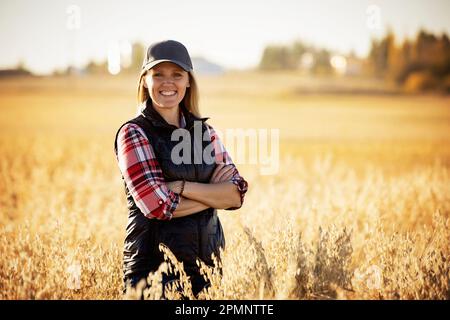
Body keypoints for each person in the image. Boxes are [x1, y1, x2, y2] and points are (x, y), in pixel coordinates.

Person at [113, 40, 248, 298]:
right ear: (144, 81)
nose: (168, 83)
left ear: (188, 82)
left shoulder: (204, 133)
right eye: (158, 75)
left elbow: (237, 193)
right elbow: (158, 206)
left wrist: (184, 188)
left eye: (177, 75)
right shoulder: (134, 133)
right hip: (152, 279)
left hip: (207, 275)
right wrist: (213, 195)